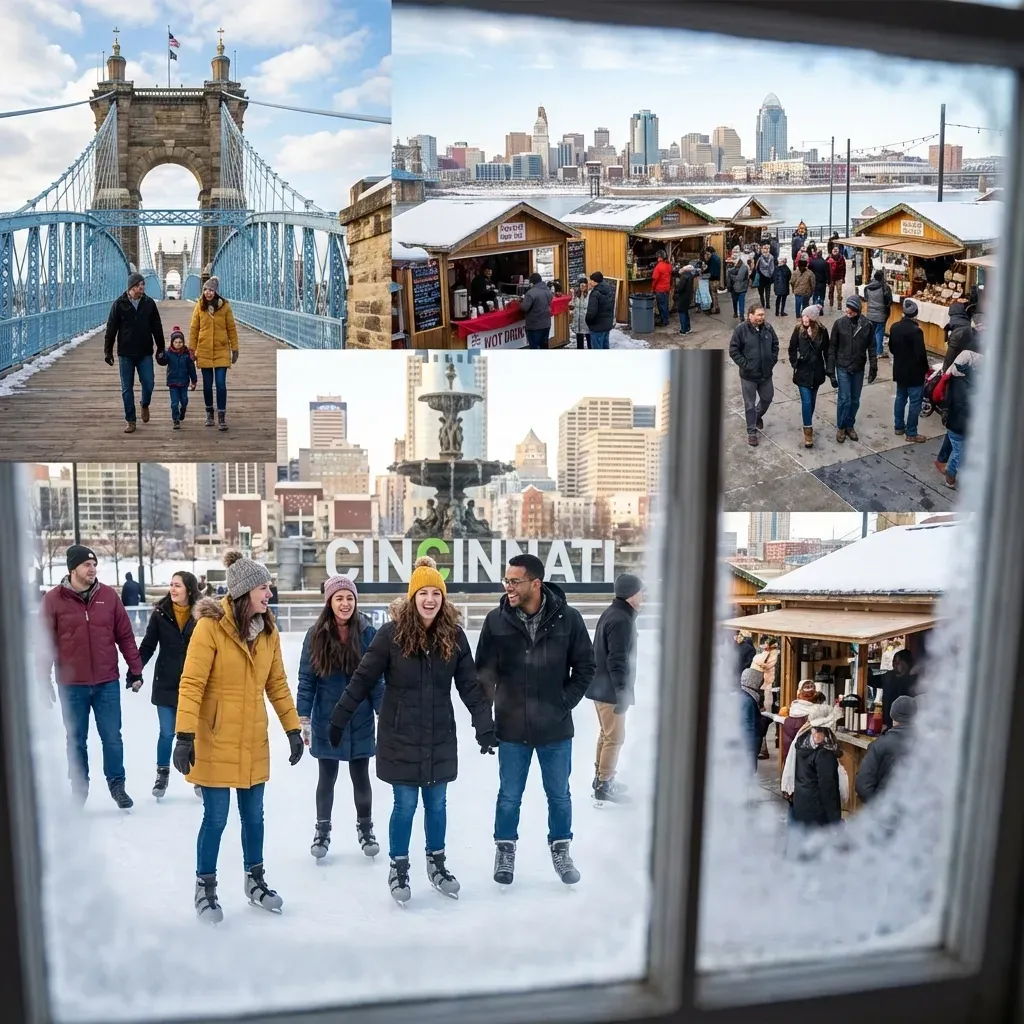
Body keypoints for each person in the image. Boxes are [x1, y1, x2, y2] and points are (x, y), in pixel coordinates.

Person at [328, 557, 495, 904]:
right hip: (399, 734)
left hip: (439, 736)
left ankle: (437, 863)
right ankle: (399, 867)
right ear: (412, 596)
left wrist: (484, 726)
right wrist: (338, 718)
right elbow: (363, 679)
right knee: (404, 805)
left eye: (437, 593)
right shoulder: (391, 635)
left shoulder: (454, 636)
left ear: (444, 598)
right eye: (423, 593)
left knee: (437, 803)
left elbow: (470, 686)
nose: (430, 600)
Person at [174, 551, 304, 923]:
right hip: (214, 737)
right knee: (216, 818)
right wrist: (184, 735)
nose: (269, 593)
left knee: (254, 817)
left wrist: (292, 728)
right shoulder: (209, 629)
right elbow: (192, 682)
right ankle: (205, 886)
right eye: (264, 587)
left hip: (252, 739)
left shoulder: (267, 631)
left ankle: (255, 881)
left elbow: (277, 684)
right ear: (245, 591)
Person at [475, 553, 596, 888]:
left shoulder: (568, 619)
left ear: (535, 583)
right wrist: (483, 724)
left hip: (555, 729)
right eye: (506, 580)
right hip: (511, 728)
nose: (508, 587)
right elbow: (483, 677)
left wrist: (563, 703)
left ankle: (561, 848)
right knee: (509, 795)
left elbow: (586, 667)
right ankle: (505, 849)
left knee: (559, 794)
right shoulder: (496, 621)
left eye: (515, 581)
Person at [39, 545, 143, 808]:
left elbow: (125, 636)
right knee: (76, 739)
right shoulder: (53, 600)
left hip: (106, 682)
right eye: (87, 564)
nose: (93, 568)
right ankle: (79, 789)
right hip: (71, 684)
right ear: (73, 569)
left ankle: (117, 785)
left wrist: (136, 669)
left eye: (94, 564)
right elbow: (44, 642)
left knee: (112, 736)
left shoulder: (108, 596)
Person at [297, 576, 384, 861]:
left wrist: (383, 713)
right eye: (339, 598)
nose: (345, 604)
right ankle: (322, 831)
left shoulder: (368, 632)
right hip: (327, 717)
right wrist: (304, 717)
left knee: (361, 775)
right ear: (329, 602)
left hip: (359, 718)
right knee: (327, 776)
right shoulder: (316, 635)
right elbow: (306, 680)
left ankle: (366, 829)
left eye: (349, 598)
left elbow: (376, 679)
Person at [139, 570, 201, 800]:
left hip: (194, 684)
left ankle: (196, 775)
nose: (173, 589)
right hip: (165, 682)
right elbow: (147, 645)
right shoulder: (160, 613)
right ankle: (162, 774)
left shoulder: (202, 614)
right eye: (171, 585)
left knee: (192, 733)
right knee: (167, 732)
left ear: (189, 589)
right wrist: (136, 669)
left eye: (178, 585)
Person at [587, 573, 643, 803]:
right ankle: (604, 784)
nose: (643, 596)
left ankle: (601, 777)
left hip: (603, 686)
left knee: (606, 734)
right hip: (610, 689)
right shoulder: (621, 619)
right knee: (615, 737)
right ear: (631, 595)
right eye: (641, 592)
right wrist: (621, 691)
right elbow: (616, 659)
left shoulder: (614, 614)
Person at [104, 271, 166, 434]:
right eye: (139, 285)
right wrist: (108, 351)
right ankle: (130, 420)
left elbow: (157, 327)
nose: (142, 287)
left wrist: (161, 348)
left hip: (145, 351)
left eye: (143, 284)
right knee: (127, 388)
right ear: (131, 287)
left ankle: (144, 404)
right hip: (125, 353)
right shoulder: (119, 304)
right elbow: (111, 329)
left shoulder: (149, 303)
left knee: (149, 383)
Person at [188, 276, 239, 432]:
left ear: (216, 291)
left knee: (221, 384)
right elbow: (194, 328)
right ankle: (210, 413)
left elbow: (231, 328)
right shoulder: (199, 306)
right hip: (204, 350)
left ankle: (222, 417)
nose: (208, 293)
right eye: (205, 289)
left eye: (211, 290)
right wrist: (191, 349)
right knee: (208, 386)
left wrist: (234, 348)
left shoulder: (225, 307)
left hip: (221, 349)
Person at [826, 295, 876, 444]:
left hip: (858, 367)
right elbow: (832, 348)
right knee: (844, 399)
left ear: (858, 310)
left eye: (852, 308)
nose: (848, 311)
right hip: (843, 366)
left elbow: (872, 347)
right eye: (848, 307)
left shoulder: (866, 325)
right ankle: (841, 426)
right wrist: (831, 371)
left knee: (855, 400)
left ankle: (849, 424)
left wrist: (873, 366)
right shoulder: (839, 324)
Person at [729, 304, 779, 448]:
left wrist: (772, 360)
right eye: (759, 315)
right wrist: (746, 365)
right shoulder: (741, 330)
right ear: (750, 315)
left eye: (763, 315)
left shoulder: (768, 328)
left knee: (767, 398)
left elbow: (775, 344)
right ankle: (752, 432)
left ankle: (757, 416)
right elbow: (733, 350)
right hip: (748, 376)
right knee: (749, 404)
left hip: (765, 374)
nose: (761, 318)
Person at [855, 695, 916, 803]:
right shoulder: (927, 745)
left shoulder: (879, 745)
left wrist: (879, 810)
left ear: (892, 717)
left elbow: (863, 786)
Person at [790, 708, 843, 828]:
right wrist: (835, 820)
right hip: (818, 810)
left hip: (802, 803)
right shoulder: (824, 753)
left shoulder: (802, 741)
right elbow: (828, 788)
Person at [888, 298, 930, 443]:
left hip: (900, 369)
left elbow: (892, 348)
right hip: (914, 373)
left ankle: (899, 426)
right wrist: (926, 370)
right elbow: (921, 355)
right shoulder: (916, 331)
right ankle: (911, 432)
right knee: (914, 402)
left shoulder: (894, 327)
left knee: (900, 398)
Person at [788, 305, 828, 448]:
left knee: (812, 400)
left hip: (816, 371)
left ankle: (807, 422)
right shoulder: (798, 330)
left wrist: (812, 338)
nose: (804, 318)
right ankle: (808, 431)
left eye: (807, 316)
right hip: (803, 371)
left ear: (813, 318)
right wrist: (794, 363)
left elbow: (826, 351)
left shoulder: (822, 331)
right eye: (803, 316)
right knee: (806, 401)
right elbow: (792, 347)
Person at [943, 350, 981, 490]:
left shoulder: (954, 377)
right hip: (961, 424)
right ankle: (950, 475)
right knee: (960, 452)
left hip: (955, 421)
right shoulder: (969, 382)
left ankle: (950, 471)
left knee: (959, 450)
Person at [156, 326, 197, 430]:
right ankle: (175, 420)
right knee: (174, 403)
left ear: (183, 342)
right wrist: (159, 356)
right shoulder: (168, 353)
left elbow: (191, 368)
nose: (178, 344)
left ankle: (183, 409)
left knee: (184, 400)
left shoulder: (187, 354)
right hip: (172, 382)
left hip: (184, 382)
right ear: (172, 343)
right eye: (176, 342)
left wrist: (194, 381)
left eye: (180, 342)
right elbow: (163, 362)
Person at [780, 681, 825, 765]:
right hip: (807, 764)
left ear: (799, 694)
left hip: (790, 761)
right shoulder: (815, 715)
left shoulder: (791, 711)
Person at [739, 667, 768, 774]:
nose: (761, 686)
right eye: (760, 682)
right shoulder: (748, 701)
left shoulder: (746, 697)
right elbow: (749, 728)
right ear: (753, 682)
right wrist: (764, 721)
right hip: (748, 749)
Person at [881, 649, 918, 730]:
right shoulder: (889, 677)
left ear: (907, 663)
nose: (894, 665)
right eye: (893, 662)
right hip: (888, 724)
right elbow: (870, 679)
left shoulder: (916, 681)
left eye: (897, 662)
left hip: (908, 727)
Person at [864, 268, 893, 360]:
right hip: (881, 314)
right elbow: (889, 301)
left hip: (870, 314)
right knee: (879, 333)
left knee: (872, 333)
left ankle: (871, 350)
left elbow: (866, 299)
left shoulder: (867, 287)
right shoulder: (885, 287)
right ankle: (878, 352)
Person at [519, 272, 553, 350]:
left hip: (535, 326)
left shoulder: (531, 293)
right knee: (544, 347)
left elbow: (524, 308)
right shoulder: (547, 290)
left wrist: (520, 302)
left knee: (534, 349)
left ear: (532, 282)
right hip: (546, 324)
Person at [941, 301, 978, 371]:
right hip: (968, 337)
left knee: (949, 361)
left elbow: (946, 329)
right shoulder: (965, 319)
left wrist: (946, 340)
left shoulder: (953, 319)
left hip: (957, 337)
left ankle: (946, 375)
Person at [585, 271, 615, 349]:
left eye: (590, 280)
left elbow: (591, 313)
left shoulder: (595, 294)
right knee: (605, 347)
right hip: (607, 325)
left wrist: (588, 322)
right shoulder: (609, 290)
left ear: (595, 281)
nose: (589, 282)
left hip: (597, 327)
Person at [651, 251, 673, 326]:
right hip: (666, 288)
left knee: (661, 306)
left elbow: (655, 279)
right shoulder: (668, 265)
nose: (657, 258)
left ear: (659, 257)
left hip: (659, 289)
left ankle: (664, 321)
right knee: (665, 305)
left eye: (658, 257)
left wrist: (653, 288)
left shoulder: (658, 267)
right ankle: (665, 319)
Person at [674, 262, 695, 336]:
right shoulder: (690, 275)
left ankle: (683, 329)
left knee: (681, 312)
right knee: (685, 311)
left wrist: (676, 287)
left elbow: (680, 288)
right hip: (688, 296)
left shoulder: (684, 276)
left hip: (683, 296)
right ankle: (688, 328)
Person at [726, 254, 750, 320]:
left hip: (741, 288)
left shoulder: (743, 267)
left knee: (741, 302)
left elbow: (739, 278)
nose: (733, 260)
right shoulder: (733, 267)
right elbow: (728, 278)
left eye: (735, 259)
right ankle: (736, 313)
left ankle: (741, 315)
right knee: (735, 301)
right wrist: (729, 286)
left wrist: (730, 275)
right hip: (734, 288)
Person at [569, 276, 590, 350]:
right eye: (581, 285)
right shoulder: (575, 295)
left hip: (587, 321)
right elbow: (572, 304)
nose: (582, 287)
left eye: (584, 285)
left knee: (589, 340)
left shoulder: (590, 295)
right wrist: (571, 306)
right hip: (578, 321)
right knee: (579, 341)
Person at [790, 254, 815, 319]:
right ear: (806, 265)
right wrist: (812, 291)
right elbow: (813, 283)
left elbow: (791, 282)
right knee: (805, 305)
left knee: (797, 305)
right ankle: (804, 316)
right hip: (806, 292)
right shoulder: (810, 273)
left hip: (797, 292)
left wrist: (793, 289)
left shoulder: (795, 272)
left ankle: (797, 316)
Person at [755, 243, 775, 309]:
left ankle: (763, 303)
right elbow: (772, 267)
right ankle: (768, 304)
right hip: (768, 277)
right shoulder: (771, 257)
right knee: (767, 291)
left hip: (761, 277)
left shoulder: (760, 258)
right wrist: (770, 274)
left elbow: (756, 268)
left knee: (761, 292)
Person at [826, 246, 847, 310]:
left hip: (839, 278)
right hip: (831, 278)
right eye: (834, 249)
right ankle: (831, 303)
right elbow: (825, 268)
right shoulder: (829, 257)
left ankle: (839, 305)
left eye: (836, 249)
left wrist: (843, 277)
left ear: (838, 250)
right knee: (831, 291)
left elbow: (844, 268)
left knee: (839, 292)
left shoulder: (841, 258)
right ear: (832, 250)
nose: (835, 250)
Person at [702, 245, 721, 314]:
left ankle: (714, 309)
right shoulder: (717, 257)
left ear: (710, 253)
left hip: (713, 279)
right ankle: (717, 307)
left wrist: (704, 271)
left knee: (713, 295)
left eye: (708, 254)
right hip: (717, 279)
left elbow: (708, 268)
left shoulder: (712, 258)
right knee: (715, 295)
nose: (707, 255)